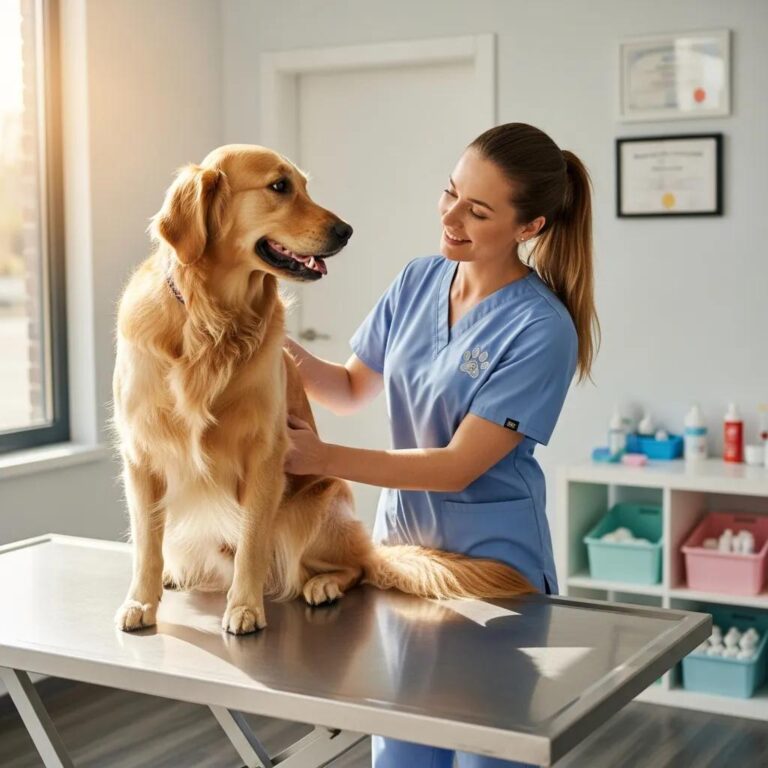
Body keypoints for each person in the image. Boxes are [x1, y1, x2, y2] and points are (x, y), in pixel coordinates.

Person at [283, 122, 599, 768]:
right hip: (403, 561)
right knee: (402, 754)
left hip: (492, 570)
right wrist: (269, 342)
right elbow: (346, 388)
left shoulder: (541, 329)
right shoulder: (417, 280)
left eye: (477, 210)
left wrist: (321, 460)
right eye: (450, 193)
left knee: (489, 753)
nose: (451, 216)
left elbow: (456, 468)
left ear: (529, 227)